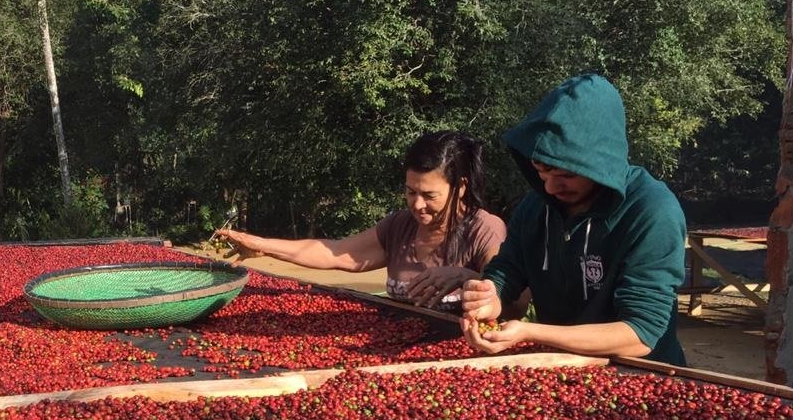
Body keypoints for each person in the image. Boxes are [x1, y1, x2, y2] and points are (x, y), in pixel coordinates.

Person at [459, 73, 687, 365]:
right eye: (542, 172)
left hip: (642, 376)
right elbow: (508, 270)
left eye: (566, 175)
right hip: (562, 370)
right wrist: (490, 296)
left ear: (600, 162)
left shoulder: (652, 211)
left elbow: (639, 334)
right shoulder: (535, 206)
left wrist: (531, 332)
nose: (551, 188)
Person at [217, 131, 506, 310]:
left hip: (458, 367)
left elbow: (515, 302)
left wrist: (468, 277)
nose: (417, 204)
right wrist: (263, 246)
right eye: (410, 191)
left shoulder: (484, 231)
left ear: (461, 187)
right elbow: (337, 252)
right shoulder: (399, 226)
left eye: (429, 195)